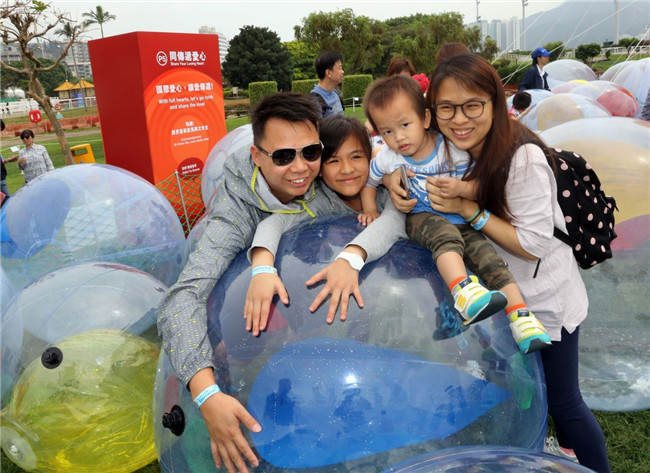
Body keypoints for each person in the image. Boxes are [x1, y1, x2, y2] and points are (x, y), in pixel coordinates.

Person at [385, 53, 610, 473]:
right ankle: (553, 448)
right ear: (432, 111)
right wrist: (391, 176)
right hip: (502, 295)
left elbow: (532, 244)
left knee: (564, 401)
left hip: (543, 300)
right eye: (447, 108)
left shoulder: (521, 158)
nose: (459, 119)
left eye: (472, 105)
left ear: (494, 102)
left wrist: (468, 209)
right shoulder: (451, 146)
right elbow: (396, 148)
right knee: (526, 387)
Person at [157, 93, 401, 473]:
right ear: (257, 156)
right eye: (284, 156)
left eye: (311, 152)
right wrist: (207, 395)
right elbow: (182, 299)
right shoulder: (236, 213)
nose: (300, 167)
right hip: (252, 320)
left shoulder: (332, 176)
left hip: (327, 307)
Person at [359, 75, 551, 351]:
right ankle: (462, 290)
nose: (398, 137)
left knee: (490, 261)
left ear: (425, 119)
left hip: (461, 220)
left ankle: (521, 318)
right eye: (387, 131)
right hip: (422, 217)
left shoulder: (449, 148)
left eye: (404, 125)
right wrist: (370, 208)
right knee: (444, 237)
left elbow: (478, 187)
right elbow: (370, 181)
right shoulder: (390, 157)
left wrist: (461, 188)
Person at [244, 115, 405, 332]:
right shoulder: (319, 201)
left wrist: (350, 259)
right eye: (334, 161)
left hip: (393, 293)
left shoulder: (387, 190)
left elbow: (394, 219)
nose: (347, 169)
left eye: (356, 157)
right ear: (319, 168)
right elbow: (274, 223)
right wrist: (262, 269)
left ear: (370, 158)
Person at [310, 51, 345, 118]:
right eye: (340, 68)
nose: (342, 72)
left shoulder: (335, 93)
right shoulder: (315, 101)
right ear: (328, 73)